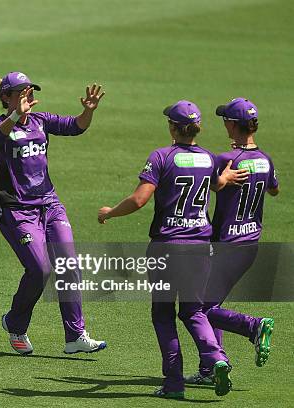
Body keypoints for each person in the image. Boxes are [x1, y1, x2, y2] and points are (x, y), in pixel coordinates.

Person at [97, 100, 248, 398]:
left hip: (166, 248)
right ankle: (216, 357)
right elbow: (212, 184)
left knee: (163, 314)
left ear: (172, 127)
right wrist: (225, 179)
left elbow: (139, 200)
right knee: (194, 311)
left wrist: (110, 212)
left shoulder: (161, 156)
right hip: (200, 248)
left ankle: (174, 383)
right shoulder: (208, 158)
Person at [0, 71, 107, 355]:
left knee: (68, 264)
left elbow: (77, 126)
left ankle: (75, 336)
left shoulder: (41, 121)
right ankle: (15, 322)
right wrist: (16, 115)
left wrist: (87, 112)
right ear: (6, 97)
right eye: (19, 92)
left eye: (29, 91)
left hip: (50, 205)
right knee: (40, 270)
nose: (26, 96)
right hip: (17, 210)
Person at [185, 98, 279, 385]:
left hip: (226, 245)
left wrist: (222, 179)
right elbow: (275, 190)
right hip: (250, 245)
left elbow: (205, 182)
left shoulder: (227, 160)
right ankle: (210, 368)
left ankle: (254, 327)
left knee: (198, 309)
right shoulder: (264, 158)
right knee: (212, 303)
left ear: (232, 124)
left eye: (225, 119)